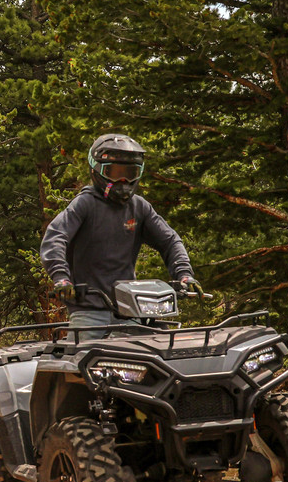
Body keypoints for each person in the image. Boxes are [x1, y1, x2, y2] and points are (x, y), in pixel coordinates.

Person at [39, 133, 202, 338]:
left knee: (163, 352)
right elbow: (55, 237)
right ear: (97, 170)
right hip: (89, 312)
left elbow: (170, 241)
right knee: (83, 362)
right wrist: (62, 279)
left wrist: (184, 274)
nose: (123, 180)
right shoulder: (86, 204)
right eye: (115, 173)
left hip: (132, 310)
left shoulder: (139, 207)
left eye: (130, 173)